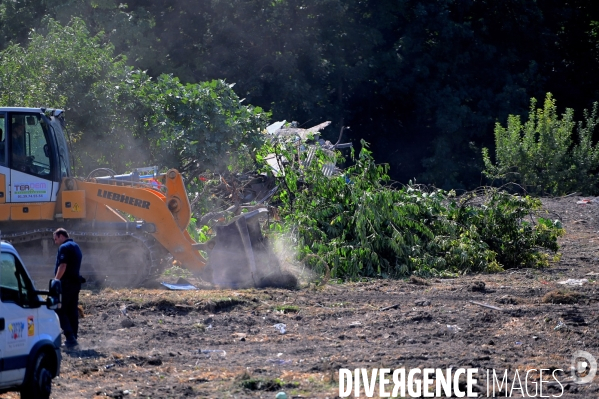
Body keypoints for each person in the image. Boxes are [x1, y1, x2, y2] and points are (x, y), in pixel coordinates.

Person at [53, 228, 83, 347]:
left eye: (56, 239)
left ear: (61, 236)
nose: (55, 242)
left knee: (59, 308)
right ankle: (73, 339)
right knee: (72, 311)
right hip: (76, 283)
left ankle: (70, 337)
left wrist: (56, 280)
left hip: (66, 284)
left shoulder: (64, 247)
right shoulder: (76, 246)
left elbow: (63, 265)